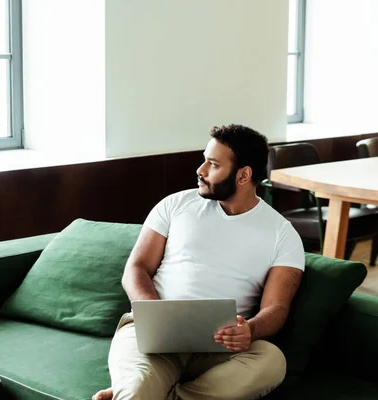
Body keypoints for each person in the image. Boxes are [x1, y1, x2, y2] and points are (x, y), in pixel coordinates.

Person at [93, 124, 305, 400]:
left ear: (243, 175)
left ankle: (156, 394)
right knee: (137, 389)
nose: (200, 170)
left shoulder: (283, 234)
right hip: (153, 334)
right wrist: (155, 315)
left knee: (271, 360)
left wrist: (249, 330)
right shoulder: (175, 205)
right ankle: (138, 389)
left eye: (213, 164)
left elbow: (277, 307)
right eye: (204, 160)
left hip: (221, 348)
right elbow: (136, 268)